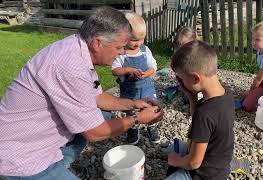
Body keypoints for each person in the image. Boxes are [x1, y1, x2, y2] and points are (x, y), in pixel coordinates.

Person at [0, 6, 163, 180]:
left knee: (103, 114)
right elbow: (93, 132)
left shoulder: (78, 48)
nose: (123, 52)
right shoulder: (70, 66)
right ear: (98, 43)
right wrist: (138, 119)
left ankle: (61, 163)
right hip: (20, 158)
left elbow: (97, 97)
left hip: (35, 138)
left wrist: (132, 104)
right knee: (98, 122)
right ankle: (54, 167)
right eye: (119, 47)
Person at [166, 40, 235, 180]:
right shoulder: (225, 95)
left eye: (182, 79)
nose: (181, 83)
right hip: (220, 164)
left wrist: (175, 162)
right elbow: (204, 126)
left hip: (205, 175)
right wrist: (192, 98)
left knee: (173, 159)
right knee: (171, 149)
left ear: (196, 78)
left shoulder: (204, 114)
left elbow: (194, 162)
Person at [111, 12, 160, 145]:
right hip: (129, 91)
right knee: (131, 111)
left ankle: (152, 125)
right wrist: (128, 70)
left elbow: (153, 66)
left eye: (141, 39)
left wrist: (146, 73)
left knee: (152, 106)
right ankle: (133, 128)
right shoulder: (121, 53)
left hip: (146, 87)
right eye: (133, 40)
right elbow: (115, 70)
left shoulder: (145, 50)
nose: (138, 43)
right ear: (125, 36)